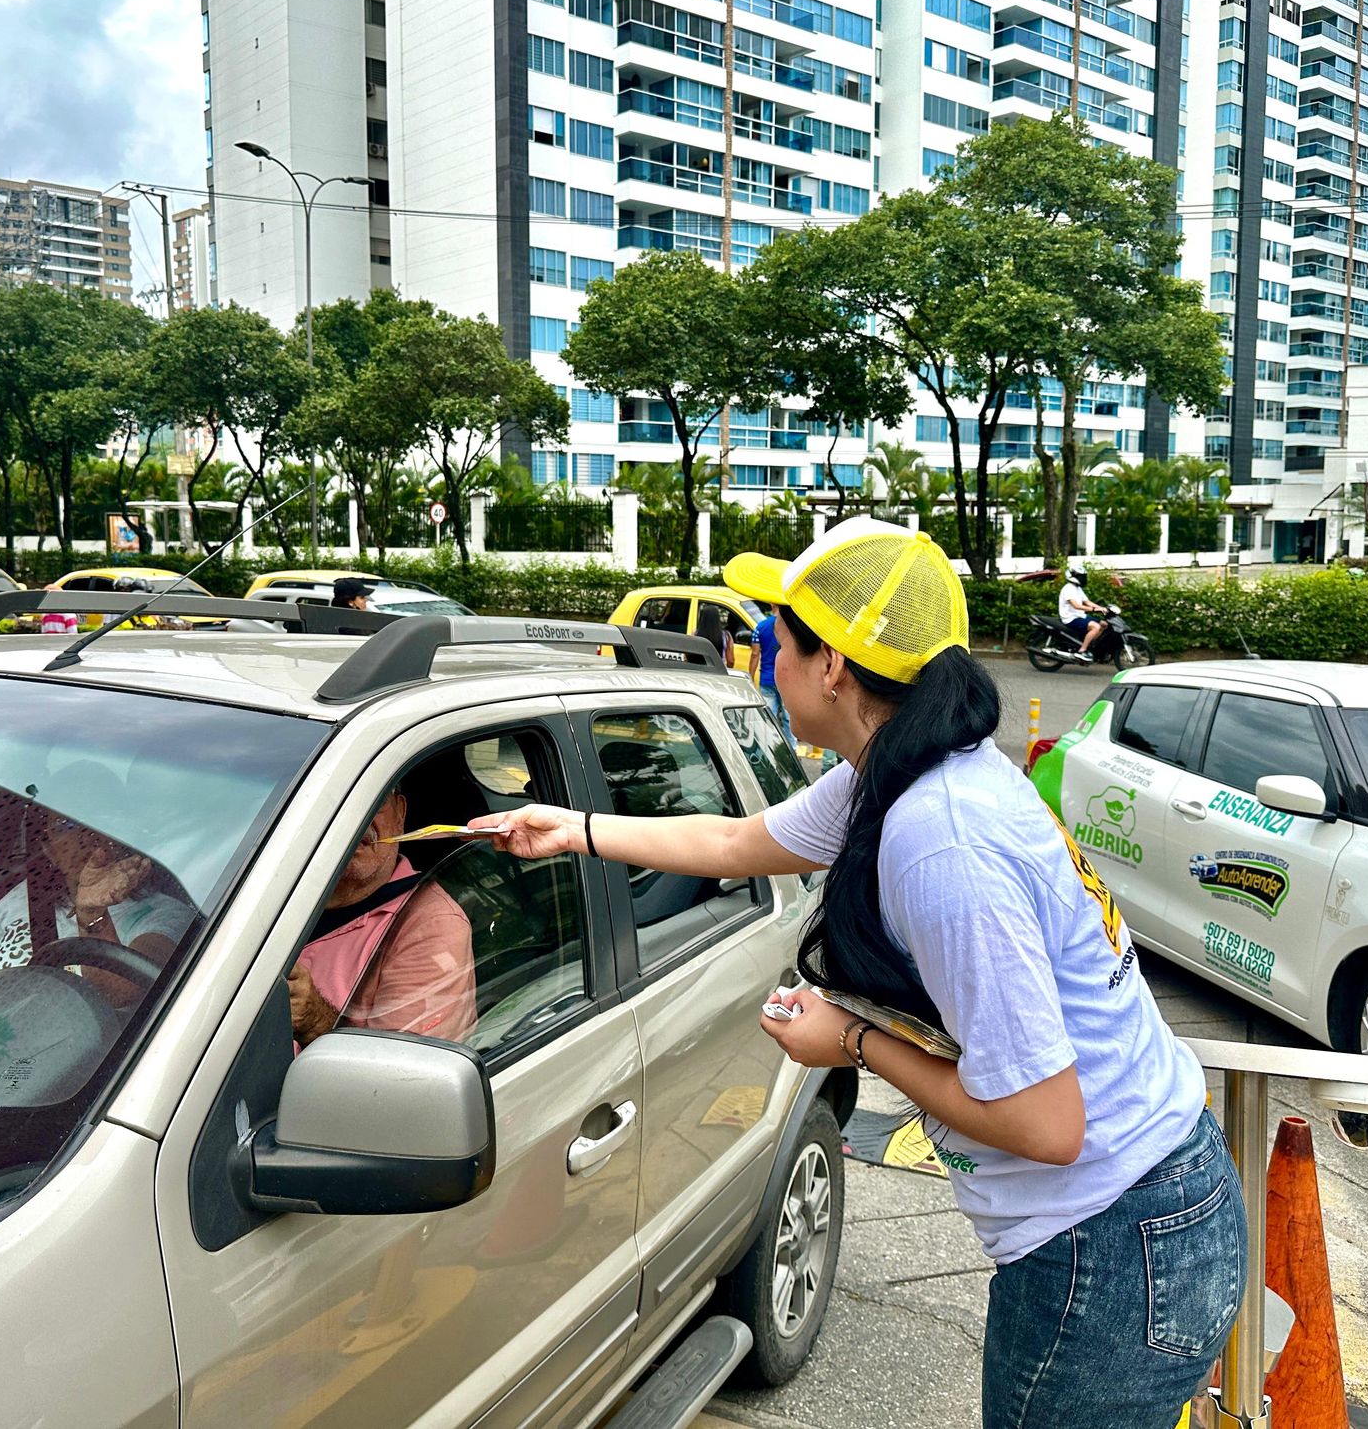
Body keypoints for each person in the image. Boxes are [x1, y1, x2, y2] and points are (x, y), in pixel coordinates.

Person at [476, 516, 1242, 1428]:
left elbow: (1047, 1124)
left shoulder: (940, 841)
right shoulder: (901, 772)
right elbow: (734, 840)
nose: (760, 658)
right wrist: (576, 829)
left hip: (1113, 1245)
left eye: (771, 639)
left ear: (832, 665)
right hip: (1140, 1218)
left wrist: (851, 1040)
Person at [0, 766, 194, 1002]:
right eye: (68, 824)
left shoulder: (163, 914)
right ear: (48, 848)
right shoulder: (26, 895)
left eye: (99, 818)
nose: (86, 835)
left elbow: (121, 991)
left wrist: (92, 915)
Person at [289, 786, 477, 1045]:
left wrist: (314, 1021)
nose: (356, 818)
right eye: (336, 804)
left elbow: (392, 1075)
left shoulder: (431, 925)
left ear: (400, 813)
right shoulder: (277, 887)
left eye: (373, 801)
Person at [754, 606, 793, 745]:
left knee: (768, 717)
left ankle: (769, 746)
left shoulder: (761, 627)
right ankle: (792, 748)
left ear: (771, 604)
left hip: (766, 678)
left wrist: (751, 676)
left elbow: (754, 654)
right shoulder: (790, 627)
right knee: (789, 717)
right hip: (787, 679)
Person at [1057, 563, 1107, 657]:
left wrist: (1101, 608)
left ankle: (1089, 644)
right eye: (1080, 576)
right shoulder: (1068, 589)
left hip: (1079, 616)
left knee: (1104, 624)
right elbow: (1076, 606)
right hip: (1070, 618)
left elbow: (1087, 601)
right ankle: (1082, 650)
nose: (1082, 578)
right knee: (1096, 627)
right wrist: (1093, 609)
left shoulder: (1077, 588)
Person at [696, 604, 735, 672]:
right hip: (719, 672)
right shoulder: (726, 636)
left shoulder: (696, 634)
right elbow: (730, 661)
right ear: (717, 618)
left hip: (700, 672)